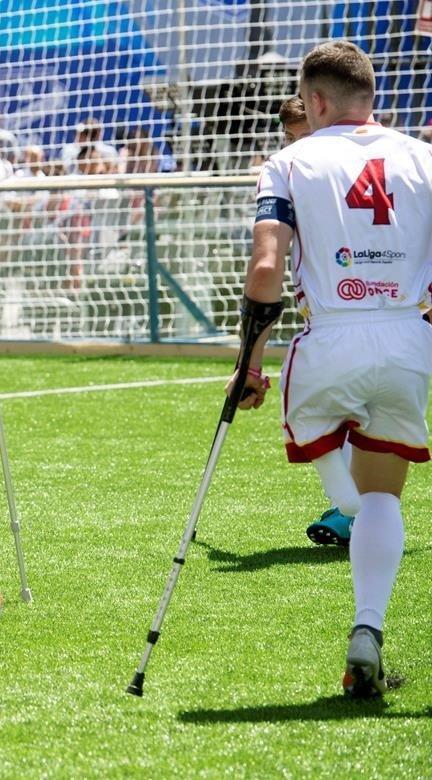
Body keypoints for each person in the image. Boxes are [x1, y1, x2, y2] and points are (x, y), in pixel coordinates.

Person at [231, 41, 431, 698]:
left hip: (330, 342)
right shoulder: (424, 159)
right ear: (371, 98)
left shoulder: (288, 162)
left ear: (315, 101)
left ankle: (347, 510)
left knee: (344, 478)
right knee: (381, 494)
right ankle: (366, 627)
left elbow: (266, 271)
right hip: (408, 338)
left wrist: (248, 365)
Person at [277, 96, 356, 547]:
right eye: (290, 137)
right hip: (334, 310)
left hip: (360, 310)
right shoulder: (296, 170)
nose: (296, 144)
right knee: (345, 414)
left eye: (301, 133)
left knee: (324, 408)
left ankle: (351, 509)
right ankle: (352, 508)